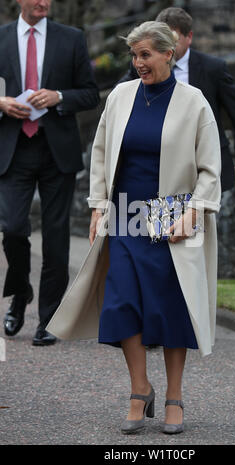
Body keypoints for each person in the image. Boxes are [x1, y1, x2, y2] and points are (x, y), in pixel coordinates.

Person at [47, 20, 221, 434]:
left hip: (171, 217)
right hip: (124, 215)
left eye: (145, 55)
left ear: (168, 53)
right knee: (122, 303)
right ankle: (139, 389)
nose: (138, 63)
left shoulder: (194, 102)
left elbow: (209, 169)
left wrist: (193, 213)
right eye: (133, 55)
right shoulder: (121, 96)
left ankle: (175, 397)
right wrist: (96, 208)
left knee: (169, 307)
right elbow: (102, 152)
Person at [0, 0, 100, 346]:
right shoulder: (0, 37)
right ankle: (19, 291)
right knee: (12, 228)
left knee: (56, 237)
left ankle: (50, 318)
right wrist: (1, 102)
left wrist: (59, 96)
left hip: (57, 150)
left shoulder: (71, 38)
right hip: (13, 149)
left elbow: (90, 93)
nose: (44, 2)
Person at [118, 7, 235, 192]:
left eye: (172, 38)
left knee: (204, 219)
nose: (165, 43)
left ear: (189, 37)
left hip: (204, 165)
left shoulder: (214, 68)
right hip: (158, 172)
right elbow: (118, 100)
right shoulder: (141, 66)